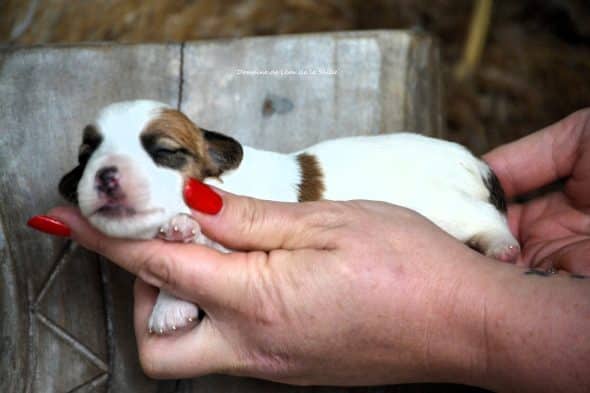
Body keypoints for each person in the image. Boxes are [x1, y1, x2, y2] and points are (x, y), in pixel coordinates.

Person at [32, 109, 590, 392]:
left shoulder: (235, 190)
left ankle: (490, 229)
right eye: (93, 155)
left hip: (419, 174)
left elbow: (235, 249)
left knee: (439, 206)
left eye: (162, 156)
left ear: (216, 163)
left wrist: (473, 316)